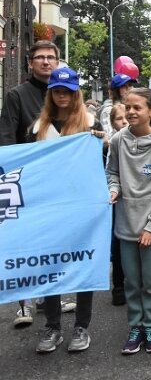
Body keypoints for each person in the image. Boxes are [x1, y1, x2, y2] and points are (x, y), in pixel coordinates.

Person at [28, 67, 104, 353]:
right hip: (47, 208)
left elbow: (103, 164)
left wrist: (101, 142)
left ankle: (81, 325)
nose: (62, 95)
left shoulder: (91, 122)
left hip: (81, 207)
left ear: (76, 93)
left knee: (82, 263)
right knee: (49, 266)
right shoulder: (38, 128)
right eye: (58, 91)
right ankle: (53, 326)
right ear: (50, 93)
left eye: (68, 91)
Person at [0, 41, 65, 328]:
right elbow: (6, 139)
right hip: (26, 181)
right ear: (30, 63)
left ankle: (50, 295)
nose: (46, 62)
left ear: (58, 61)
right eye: (40, 57)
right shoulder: (16, 95)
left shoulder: (65, 95)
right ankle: (23, 304)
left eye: (51, 57)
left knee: (55, 241)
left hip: (58, 183)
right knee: (26, 241)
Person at [106, 88, 151, 354]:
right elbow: (112, 172)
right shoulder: (118, 140)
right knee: (131, 282)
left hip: (150, 230)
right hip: (124, 226)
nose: (131, 112)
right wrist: (113, 189)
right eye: (128, 107)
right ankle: (135, 325)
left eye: (138, 107)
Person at [108, 103, 129, 306]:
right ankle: (118, 286)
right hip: (117, 201)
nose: (123, 121)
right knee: (118, 243)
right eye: (118, 118)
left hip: (137, 201)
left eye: (126, 117)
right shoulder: (110, 144)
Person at [98, 73, 136, 139]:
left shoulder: (134, 107)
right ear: (116, 91)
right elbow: (108, 138)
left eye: (130, 85)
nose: (129, 88)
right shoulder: (108, 110)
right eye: (124, 86)